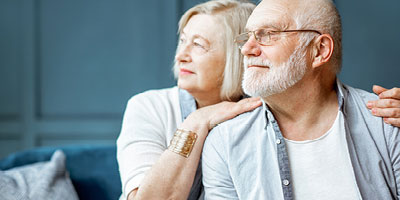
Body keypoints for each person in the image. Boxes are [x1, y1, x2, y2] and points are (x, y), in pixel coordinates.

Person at [117, 0, 400, 200]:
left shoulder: (383, 124)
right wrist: (197, 122)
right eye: (182, 41)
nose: (249, 49)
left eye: (266, 36)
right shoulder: (218, 134)